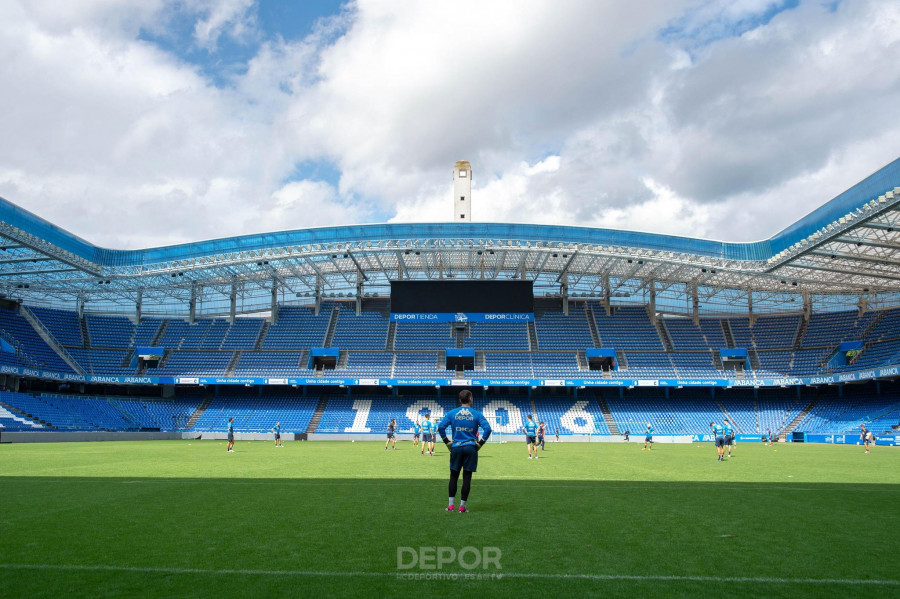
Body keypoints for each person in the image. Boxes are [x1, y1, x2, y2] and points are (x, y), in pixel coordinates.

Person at [437, 390, 492, 513]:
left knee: (453, 476)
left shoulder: (452, 413)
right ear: (471, 399)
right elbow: (488, 429)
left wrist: (447, 441)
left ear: (460, 400)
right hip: (470, 448)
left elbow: (441, 427)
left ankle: (451, 506)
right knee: (467, 477)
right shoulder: (476, 414)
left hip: (456, 447)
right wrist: (480, 444)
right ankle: (462, 507)